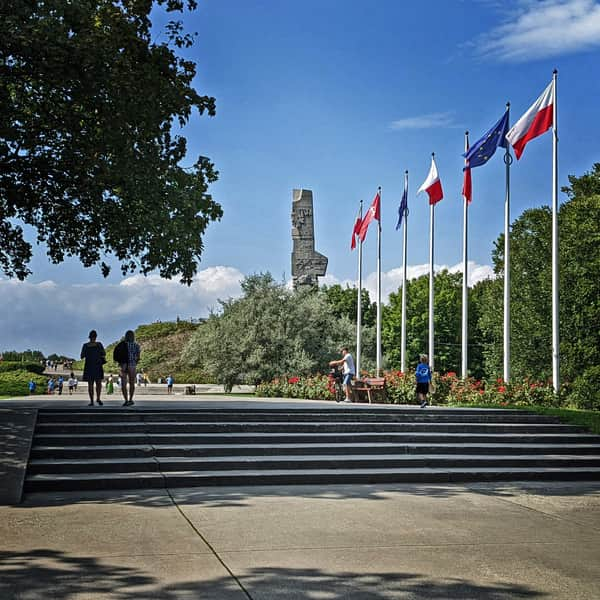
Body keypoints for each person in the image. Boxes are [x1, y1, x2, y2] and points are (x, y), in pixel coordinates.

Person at [113, 330, 141, 407]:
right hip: (132, 365)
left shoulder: (122, 345)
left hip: (123, 365)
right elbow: (138, 357)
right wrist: (135, 362)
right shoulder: (136, 345)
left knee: (123, 384)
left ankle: (125, 400)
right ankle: (130, 399)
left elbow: (116, 355)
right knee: (132, 383)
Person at [80, 329, 106, 406]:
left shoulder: (85, 345)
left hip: (89, 366)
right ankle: (98, 398)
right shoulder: (99, 344)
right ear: (96, 337)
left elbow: (82, 356)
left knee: (90, 384)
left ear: (89, 337)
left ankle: (91, 401)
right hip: (98, 365)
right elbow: (103, 353)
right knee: (99, 383)